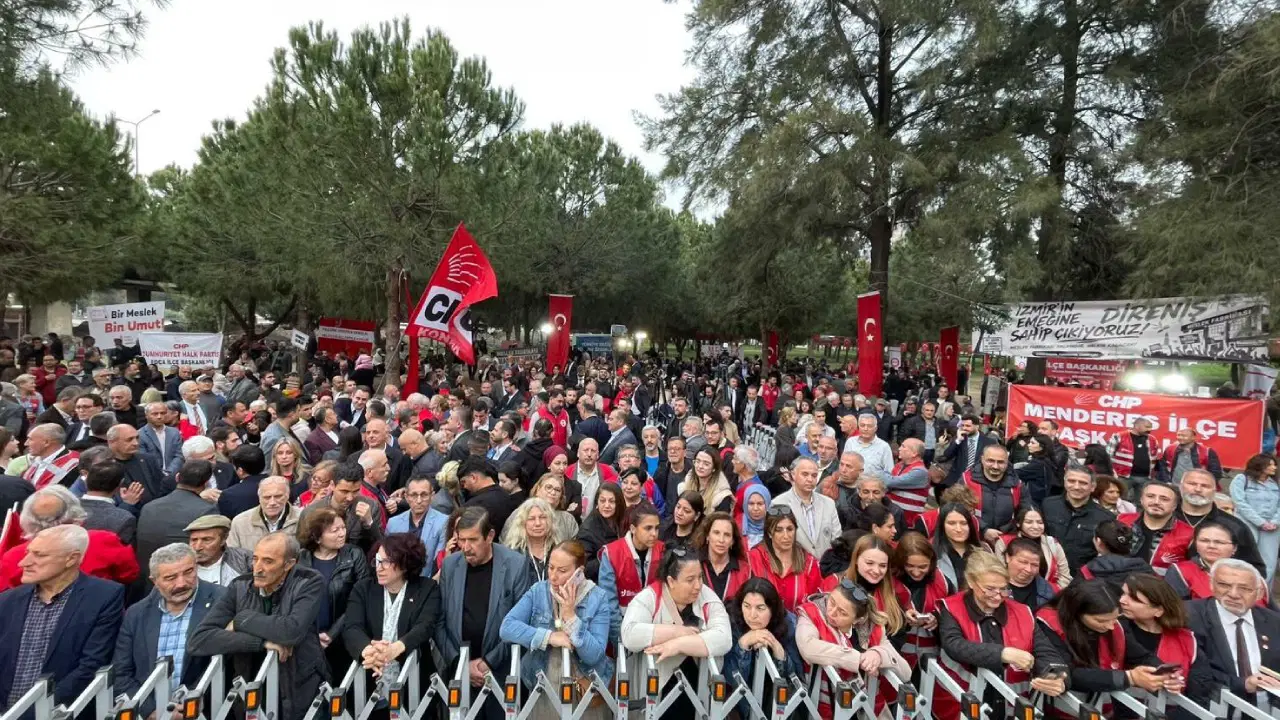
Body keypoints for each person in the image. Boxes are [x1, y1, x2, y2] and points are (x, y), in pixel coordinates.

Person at [189, 532, 325, 720]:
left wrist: (241, 620)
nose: (258, 569)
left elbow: (291, 631)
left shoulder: (308, 581)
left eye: (268, 561)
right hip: (249, 687)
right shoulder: (240, 586)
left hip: (299, 687)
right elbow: (199, 640)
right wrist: (259, 642)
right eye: (255, 559)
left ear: (289, 564)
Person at [0, 525, 125, 711]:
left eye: (39, 555)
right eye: (28, 553)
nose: (23, 562)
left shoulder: (104, 596)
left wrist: (35, 711)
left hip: (63, 711)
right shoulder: (7, 600)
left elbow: (91, 664)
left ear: (72, 558)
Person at [935, 549, 1063, 720]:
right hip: (961, 704)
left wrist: (1056, 676)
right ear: (971, 582)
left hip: (1010, 706)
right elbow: (955, 645)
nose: (997, 596)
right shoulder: (951, 608)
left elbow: (1046, 651)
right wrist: (1003, 653)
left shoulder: (1022, 611)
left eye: (1003, 589)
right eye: (989, 589)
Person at [435, 507, 535, 720]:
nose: (466, 547)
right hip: (458, 674)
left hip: (500, 672)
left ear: (490, 536)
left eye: (473, 539)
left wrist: (487, 662)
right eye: (462, 540)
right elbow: (440, 621)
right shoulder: (451, 565)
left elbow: (521, 623)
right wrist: (460, 662)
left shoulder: (515, 565)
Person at [499, 540, 613, 720]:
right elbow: (507, 628)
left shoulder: (597, 598)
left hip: (585, 687)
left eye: (562, 570)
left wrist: (571, 618)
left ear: (579, 572)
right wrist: (549, 636)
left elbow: (594, 655)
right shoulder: (538, 591)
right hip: (544, 685)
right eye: (551, 568)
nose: (553, 576)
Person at [112, 544, 223, 717]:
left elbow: (227, 662)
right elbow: (122, 672)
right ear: (154, 581)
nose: (181, 583)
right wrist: (150, 711)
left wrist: (190, 705)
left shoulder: (222, 600)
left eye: (188, 572)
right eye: (170, 578)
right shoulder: (136, 614)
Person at [620, 547, 732, 718]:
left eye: (700, 577)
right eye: (690, 580)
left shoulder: (707, 597)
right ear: (671, 581)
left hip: (698, 690)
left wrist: (677, 645)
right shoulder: (650, 596)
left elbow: (724, 638)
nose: (698, 585)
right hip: (658, 691)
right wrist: (677, 632)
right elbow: (630, 634)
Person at [1034, 579, 1182, 702]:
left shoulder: (1113, 625)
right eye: (1101, 621)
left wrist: (1164, 673)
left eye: (1115, 618)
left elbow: (1141, 656)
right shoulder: (1048, 624)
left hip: (1102, 707)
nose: (1111, 626)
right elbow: (1067, 673)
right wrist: (1129, 678)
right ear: (1077, 613)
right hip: (1060, 707)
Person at [795, 576, 910, 718]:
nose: (831, 612)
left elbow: (906, 673)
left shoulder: (872, 627)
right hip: (822, 703)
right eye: (832, 602)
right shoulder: (812, 611)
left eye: (842, 612)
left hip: (865, 706)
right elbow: (808, 648)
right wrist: (858, 659)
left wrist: (879, 654)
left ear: (857, 620)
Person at [342, 533, 441, 695]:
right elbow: (352, 627)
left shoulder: (427, 588)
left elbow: (425, 625)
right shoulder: (363, 589)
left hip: (415, 681)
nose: (379, 567)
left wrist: (397, 648)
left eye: (386, 562)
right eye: (377, 561)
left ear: (405, 563)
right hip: (369, 678)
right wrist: (368, 651)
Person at [0, 485, 138, 590]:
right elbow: (129, 574)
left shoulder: (14, 556)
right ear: (75, 513)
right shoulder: (104, 540)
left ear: (27, 520)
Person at [1186, 558, 1280, 705]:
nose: (1233, 594)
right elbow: (1195, 672)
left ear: (1259, 593)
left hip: (1268, 706)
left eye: (1244, 588)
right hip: (1211, 704)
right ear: (1211, 584)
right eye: (1224, 585)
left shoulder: (1274, 621)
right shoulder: (1190, 616)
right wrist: (1243, 684)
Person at [296, 506, 370, 675]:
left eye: (343, 528)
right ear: (317, 537)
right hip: (308, 639)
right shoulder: (302, 558)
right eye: (334, 530)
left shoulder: (354, 555)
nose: (341, 533)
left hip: (343, 637)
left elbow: (360, 599)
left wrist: (332, 634)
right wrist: (313, 635)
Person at [722, 577, 802, 717]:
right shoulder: (731, 619)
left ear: (772, 608)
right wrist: (743, 645)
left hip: (772, 701)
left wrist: (778, 651)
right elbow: (730, 679)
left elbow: (795, 679)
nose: (752, 615)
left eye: (760, 608)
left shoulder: (789, 623)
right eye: (747, 606)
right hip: (737, 704)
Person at [1177, 469, 1266, 574]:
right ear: (1181, 486)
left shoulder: (1235, 526)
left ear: (1214, 490)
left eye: (1205, 486)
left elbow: (1255, 569)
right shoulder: (1165, 517)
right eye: (1192, 484)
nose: (1198, 489)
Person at [598, 502, 664, 637]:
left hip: (655, 627)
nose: (654, 534)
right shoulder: (611, 552)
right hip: (622, 626)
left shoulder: (663, 550)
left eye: (657, 528)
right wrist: (621, 637)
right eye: (648, 528)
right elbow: (609, 603)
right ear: (633, 529)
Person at [1118, 574, 1200, 683]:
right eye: (1123, 593)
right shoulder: (1115, 628)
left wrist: (1176, 684)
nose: (1122, 600)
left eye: (1134, 599)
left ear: (1159, 611)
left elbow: (1200, 683)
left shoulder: (1186, 640)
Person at [891, 532, 952, 668]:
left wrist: (937, 619)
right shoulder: (888, 582)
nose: (916, 572)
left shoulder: (944, 582)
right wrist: (901, 618)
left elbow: (955, 619)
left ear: (931, 562)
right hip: (896, 655)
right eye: (910, 566)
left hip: (932, 657)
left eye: (923, 567)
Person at [746, 506, 823, 612]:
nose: (786, 536)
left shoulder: (809, 562)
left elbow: (815, 604)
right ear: (769, 533)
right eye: (779, 530)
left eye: (790, 529)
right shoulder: (753, 558)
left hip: (798, 626)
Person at [1042, 466, 1112, 572]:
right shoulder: (1048, 505)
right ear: (1065, 482)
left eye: (1083, 483)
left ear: (1092, 487)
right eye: (1071, 481)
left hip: (1081, 578)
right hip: (1047, 572)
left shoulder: (1105, 517)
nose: (1076, 486)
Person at [771, 456, 841, 558]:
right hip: (795, 568)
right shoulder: (779, 503)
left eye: (814, 475)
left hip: (825, 568)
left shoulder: (828, 503)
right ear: (793, 475)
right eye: (805, 474)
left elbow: (836, 538)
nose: (810, 479)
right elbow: (776, 541)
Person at [1166, 521, 1254, 602]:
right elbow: (1175, 610)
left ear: (1234, 548)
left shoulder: (1249, 574)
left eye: (1219, 542)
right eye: (1204, 541)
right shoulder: (1180, 571)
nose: (1211, 546)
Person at [840, 534, 906, 637]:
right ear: (856, 559)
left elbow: (898, 635)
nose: (876, 571)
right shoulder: (836, 585)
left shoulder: (892, 594)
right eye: (870, 563)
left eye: (882, 565)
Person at [1229, 453, 1280, 583]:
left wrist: (1274, 522)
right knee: (1246, 557)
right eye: (1270, 464)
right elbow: (1239, 502)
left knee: (1269, 562)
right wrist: (1260, 522)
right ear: (1259, 465)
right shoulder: (1242, 479)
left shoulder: (1275, 483)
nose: (1274, 467)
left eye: (1275, 464)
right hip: (1247, 522)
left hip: (1272, 526)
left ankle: (1262, 594)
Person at [993, 506, 1072, 589]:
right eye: (1029, 522)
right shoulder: (1004, 542)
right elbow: (1000, 573)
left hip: (1048, 594)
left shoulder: (1052, 543)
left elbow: (1065, 577)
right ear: (1018, 523)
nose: (1035, 526)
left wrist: (1054, 596)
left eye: (1040, 522)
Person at [386, 475, 449, 576]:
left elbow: (439, 561)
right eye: (414, 495)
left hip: (428, 581)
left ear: (432, 496)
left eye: (424, 495)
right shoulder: (393, 523)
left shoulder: (444, 522)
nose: (419, 500)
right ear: (406, 497)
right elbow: (389, 558)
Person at [502, 497, 565, 584]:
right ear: (522, 523)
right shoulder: (513, 554)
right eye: (531, 519)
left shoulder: (560, 551)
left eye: (543, 517)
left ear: (550, 521)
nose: (538, 523)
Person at [227, 475, 300, 551]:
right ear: (259, 498)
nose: (272, 502)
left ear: (287, 496)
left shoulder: (302, 518)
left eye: (278, 496)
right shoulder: (240, 522)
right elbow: (234, 556)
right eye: (267, 497)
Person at [695, 511, 751, 601]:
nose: (721, 540)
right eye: (716, 533)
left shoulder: (745, 571)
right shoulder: (693, 564)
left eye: (727, 535)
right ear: (707, 536)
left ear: (732, 541)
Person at [577, 484, 626, 581]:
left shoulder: (625, 520)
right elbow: (585, 568)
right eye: (602, 501)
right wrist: (610, 556)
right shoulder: (587, 530)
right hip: (600, 581)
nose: (607, 505)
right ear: (596, 503)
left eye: (612, 501)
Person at [932, 503, 982, 590]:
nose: (958, 529)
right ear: (942, 525)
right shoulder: (932, 554)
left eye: (963, 523)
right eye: (952, 523)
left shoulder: (983, 552)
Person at [1003, 537, 1056, 611]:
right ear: (1007, 557)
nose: (1028, 569)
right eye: (1023, 562)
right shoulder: (991, 586)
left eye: (1034, 565)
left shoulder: (1050, 592)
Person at [1156, 427, 1223, 484]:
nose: (1180, 437)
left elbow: (1216, 473)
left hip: (1195, 489)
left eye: (1184, 436)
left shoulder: (1207, 451)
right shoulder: (1170, 448)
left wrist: (1202, 486)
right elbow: (1162, 466)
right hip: (1174, 486)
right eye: (1179, 435)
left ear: (1193, 437)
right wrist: (1166, 481)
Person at [1108, 418, 1157, 495]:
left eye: (1150, 427)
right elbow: (1108, 456)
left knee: (1142, 503)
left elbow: (1154, 457)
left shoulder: (1152, 439)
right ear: (1136, 426)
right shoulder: (1119, 436)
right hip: (1123, 477)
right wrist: (1113, 474)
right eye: (1147, 427)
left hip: (1145, 477)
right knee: (1120, 500)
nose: (1149, 429)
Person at [679, 446, 733, 514]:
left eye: (706, 464)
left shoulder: (722, 496)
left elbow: (721, 522)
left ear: (714, 468)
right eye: (697, 461)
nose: (700, 466)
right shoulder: (686, 484)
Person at [530, 474, 579, 539]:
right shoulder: (523, 513)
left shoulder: (568, 520)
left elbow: (574, 546)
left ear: (561, 496)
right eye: (548, 487)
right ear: (538, 490)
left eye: (557, 490)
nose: (553, 492)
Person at [739, 483, 770, 549]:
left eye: (760, 504)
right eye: (751, 503)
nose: (755, 508)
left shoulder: (774, 526)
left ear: (767, 504)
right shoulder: (737, 525)